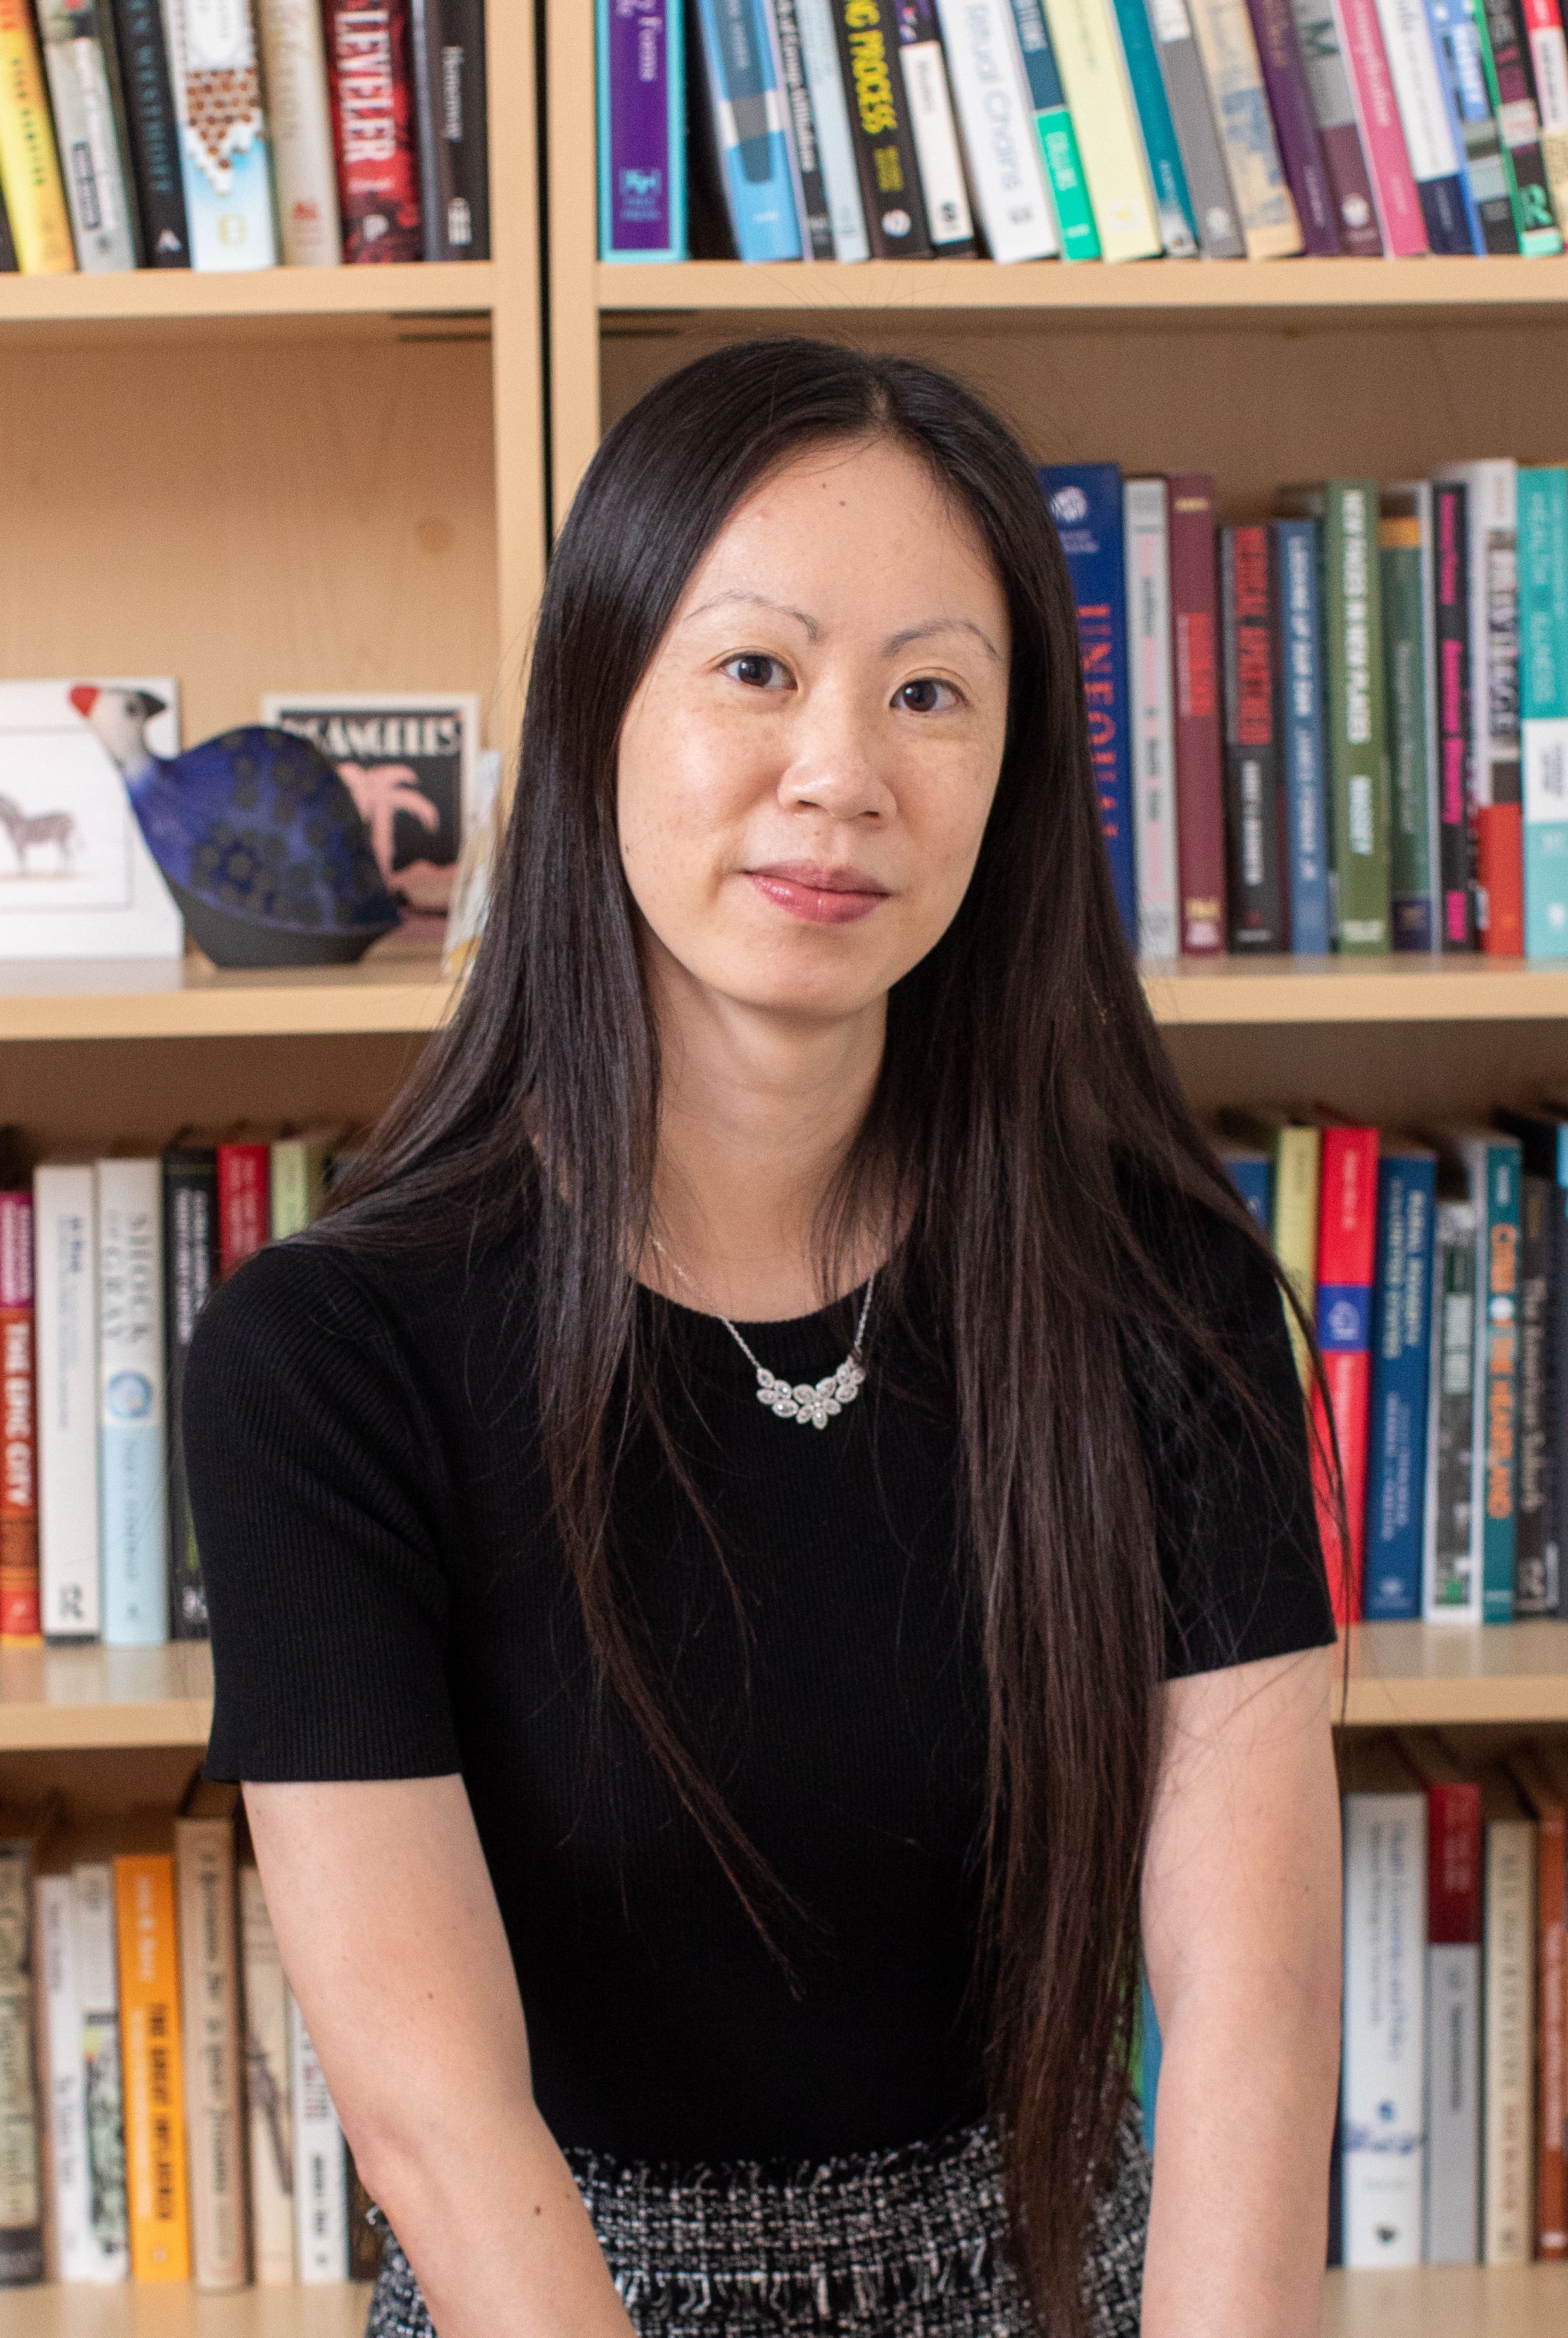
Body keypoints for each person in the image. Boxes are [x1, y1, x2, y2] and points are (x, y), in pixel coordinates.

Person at [183, 340, 1342, 2338]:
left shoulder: (1162, 1297)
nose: (842, 773)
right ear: (595, 712)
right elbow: (437, 2118)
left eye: (928, 693)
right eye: (754, 670)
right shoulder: (326, 1361)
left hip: (1059, 2284)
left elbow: (1252, 2018)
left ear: (1011, 773)